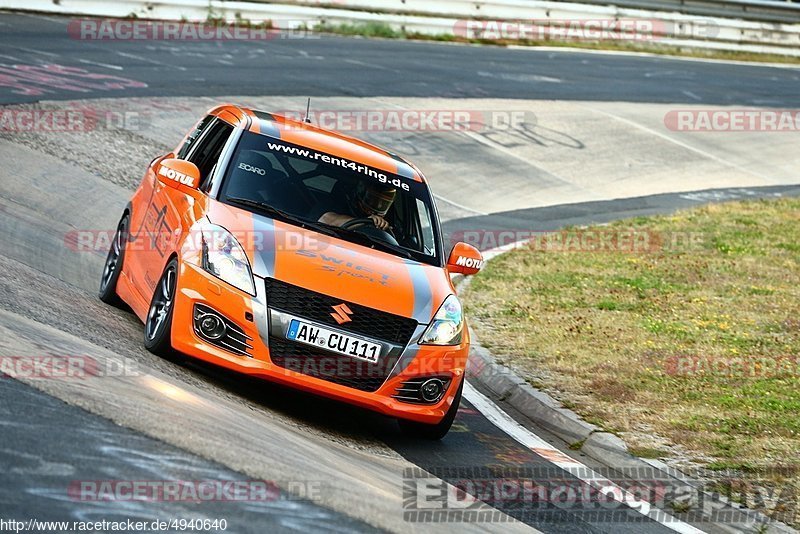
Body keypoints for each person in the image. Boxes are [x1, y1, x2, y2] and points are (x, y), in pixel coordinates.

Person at [318, 181, 397, 230]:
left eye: (384, 204)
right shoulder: (335, 203)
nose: (378, 206)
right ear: (360, 193)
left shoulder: (392, 223)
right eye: (373, 200)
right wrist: (366, 222)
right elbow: (326, 219)